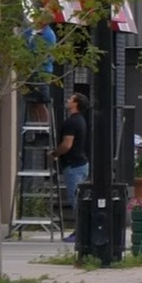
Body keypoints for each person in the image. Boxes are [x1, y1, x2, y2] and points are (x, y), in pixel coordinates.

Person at [54, 93, 89, 241]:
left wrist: (54, 153)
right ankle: (81, 231)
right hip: (81, 164)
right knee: (78, 198)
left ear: (76, 104)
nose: (67, 100)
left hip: (73, 166)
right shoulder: (81, 121)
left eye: (71, 99)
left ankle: (80, 232)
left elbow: (67, 144)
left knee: (75, 199)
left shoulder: (71, 122)